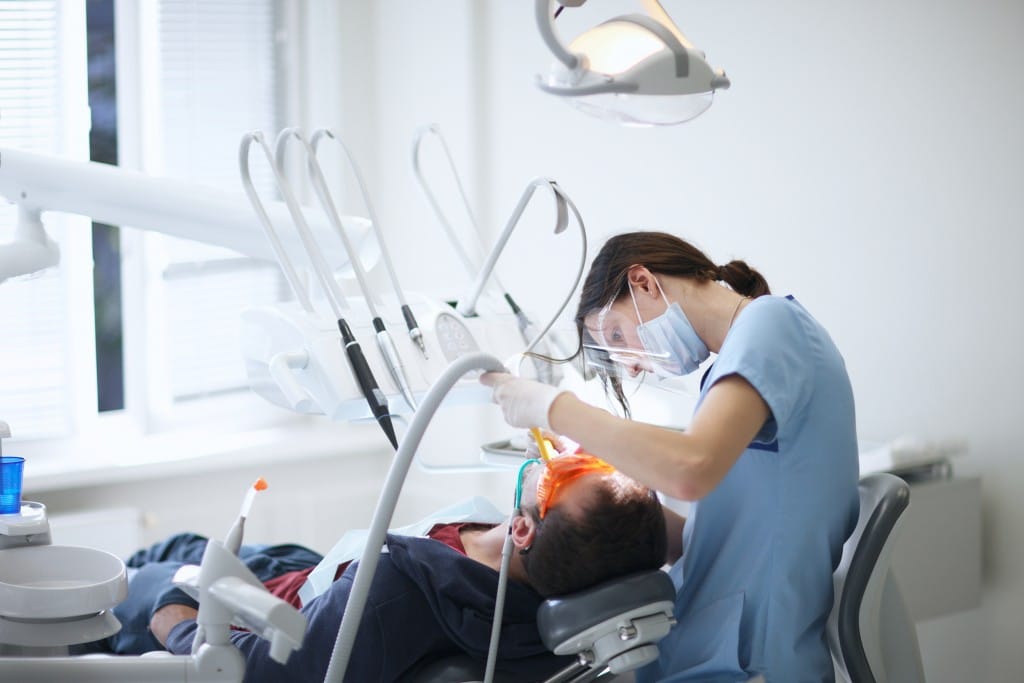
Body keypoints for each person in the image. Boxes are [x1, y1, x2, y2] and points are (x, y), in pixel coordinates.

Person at [481, 230, 860, 682]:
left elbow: (690, 470)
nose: (635, 366)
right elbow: (711, 534)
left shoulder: (772, 324)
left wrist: (557, 409)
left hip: (750, 664)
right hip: (708, 650)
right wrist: (597, 482)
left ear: (643, 282)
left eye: (618, 336)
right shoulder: (728, 369)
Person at [85, 455, 666, 682]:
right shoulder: (529, 565)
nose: (561, 456)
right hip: (310, 570)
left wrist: (178, 623)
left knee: (132, 579)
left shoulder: (396, 597)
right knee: (182, 542)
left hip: (263, 613)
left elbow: (250, 672)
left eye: (566, 476)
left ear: (524, 529)